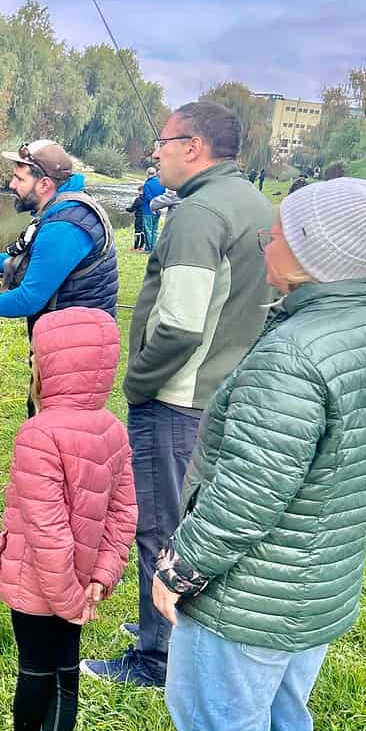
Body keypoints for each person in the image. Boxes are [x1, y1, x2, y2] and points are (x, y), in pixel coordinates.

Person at [154, 178, 366, 731]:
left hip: (248, 602)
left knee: (220, 730)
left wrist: (179, 570)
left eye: (279, 233)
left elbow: (247, 494)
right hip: (319, 587)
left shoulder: (292, 357)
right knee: (285, 722)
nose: (266, 242)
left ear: (311, 253)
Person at [81, 100, 275, 688]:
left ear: (194, 147)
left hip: (177, 399)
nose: (155, 153)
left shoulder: (198, 213)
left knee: (161, 526)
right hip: (225, 394)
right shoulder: (257, 205)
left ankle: (156, 660)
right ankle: (164, 629)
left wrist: (138, 378)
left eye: (162, 143)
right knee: (193, 522)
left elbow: (181, 324)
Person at [0, 307, 137, 731]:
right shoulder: (114, 429)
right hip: (83, 585)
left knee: (34, 668)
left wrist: (65, 600)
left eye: (35, 357)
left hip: (40, 586)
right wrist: (102, 576)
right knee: (66, 666)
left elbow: (47, 532)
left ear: (47, 367)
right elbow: (125, 514)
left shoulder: (38, 434)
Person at [0, 140, 118, 417]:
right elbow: (39, 264)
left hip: (75, 351)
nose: (12, 185)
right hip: (68, 340)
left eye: (19, 178)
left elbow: (28, 299)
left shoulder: (65, 226)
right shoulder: (63, 209)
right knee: (47, 418)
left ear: (45, 184)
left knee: (56, 426)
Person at [139, 167, 166, 251]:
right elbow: (163, 195)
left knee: (148, 229)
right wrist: (158, 205)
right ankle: (154, 247)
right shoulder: (161, 183)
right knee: (155, 229)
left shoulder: (147, 184)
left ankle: (148, 248)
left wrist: (153, 205)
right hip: (158, 209)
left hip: (148, 209)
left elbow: (148, 197)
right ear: (155, 173)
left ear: (147, 173)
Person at [126, 182, 146, 251]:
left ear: (140, 191)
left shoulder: (138, 199)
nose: (138, 193)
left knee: (137, 232)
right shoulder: (148, 199)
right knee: (143, 232)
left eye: (138, 191)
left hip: (139, 217)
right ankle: (141, 247)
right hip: (146, 217)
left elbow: (132, 209)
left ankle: (135, 248)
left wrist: (126, 209)